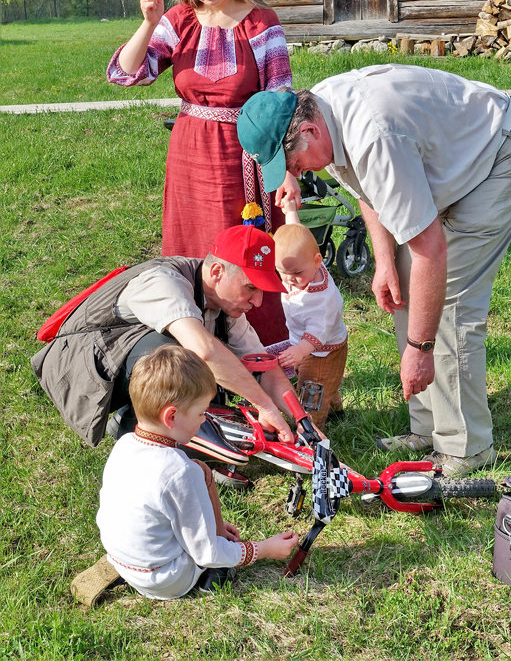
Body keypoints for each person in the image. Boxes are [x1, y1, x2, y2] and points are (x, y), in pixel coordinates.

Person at [236, 64, 511, 476]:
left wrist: (420, 348)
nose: (295, 173)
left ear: (308, 131)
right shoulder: (321, 113)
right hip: (445, 154)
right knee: (404, 281)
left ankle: (465, 447)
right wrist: (384, 261)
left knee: (449, 301)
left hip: (499, 154)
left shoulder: (372, 137)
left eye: (291, 161)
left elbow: (431, 251)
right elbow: (365, 185)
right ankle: (428, 427)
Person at [106, 0, 298, 344]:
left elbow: (281, 97)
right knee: (193, 247)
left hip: (244, 153)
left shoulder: (260, 22)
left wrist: (282, 167)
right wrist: (149, 23)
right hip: (190, 150)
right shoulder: (178, 21)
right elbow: (127, 73)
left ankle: (256, 349)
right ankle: (194, 345)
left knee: (244, 248)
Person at [31, 225, 294, 448]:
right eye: (251, 287)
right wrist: (265, 405)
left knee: (203, 365)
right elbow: (204, 351)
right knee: (182, 360)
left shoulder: (227, 305)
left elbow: (261, 363)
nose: (258, 301)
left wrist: (299, 420)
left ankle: (137, 420)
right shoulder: (165, 281)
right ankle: (156, 435)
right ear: (216, 273)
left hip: (119, 361)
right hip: (78, 366)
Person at [96, 344, 299, 599]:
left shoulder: (124, 445)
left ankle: (212, 531)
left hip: (125, 563)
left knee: (201, 470)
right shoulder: (178, 471)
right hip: (167, 579)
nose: (204, 419)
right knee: (216, 555)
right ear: (171, 417)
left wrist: (212, 523)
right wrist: (264, 549)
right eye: (201, 413)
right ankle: (207, 579)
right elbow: (208, 553)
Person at [272, 201, 348, 429]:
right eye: (281, 272)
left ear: (317, 261)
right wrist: (291, 212)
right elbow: (296, 234)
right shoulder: (308, 266)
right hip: (309, 346)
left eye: (295, 273)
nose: (288, 279)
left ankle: (311, 433)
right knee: (326, 382)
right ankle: (336, 410)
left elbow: (317, 334)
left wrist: (299, 351)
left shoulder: (321, 300)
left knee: (312, 390)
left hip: (321, 351)